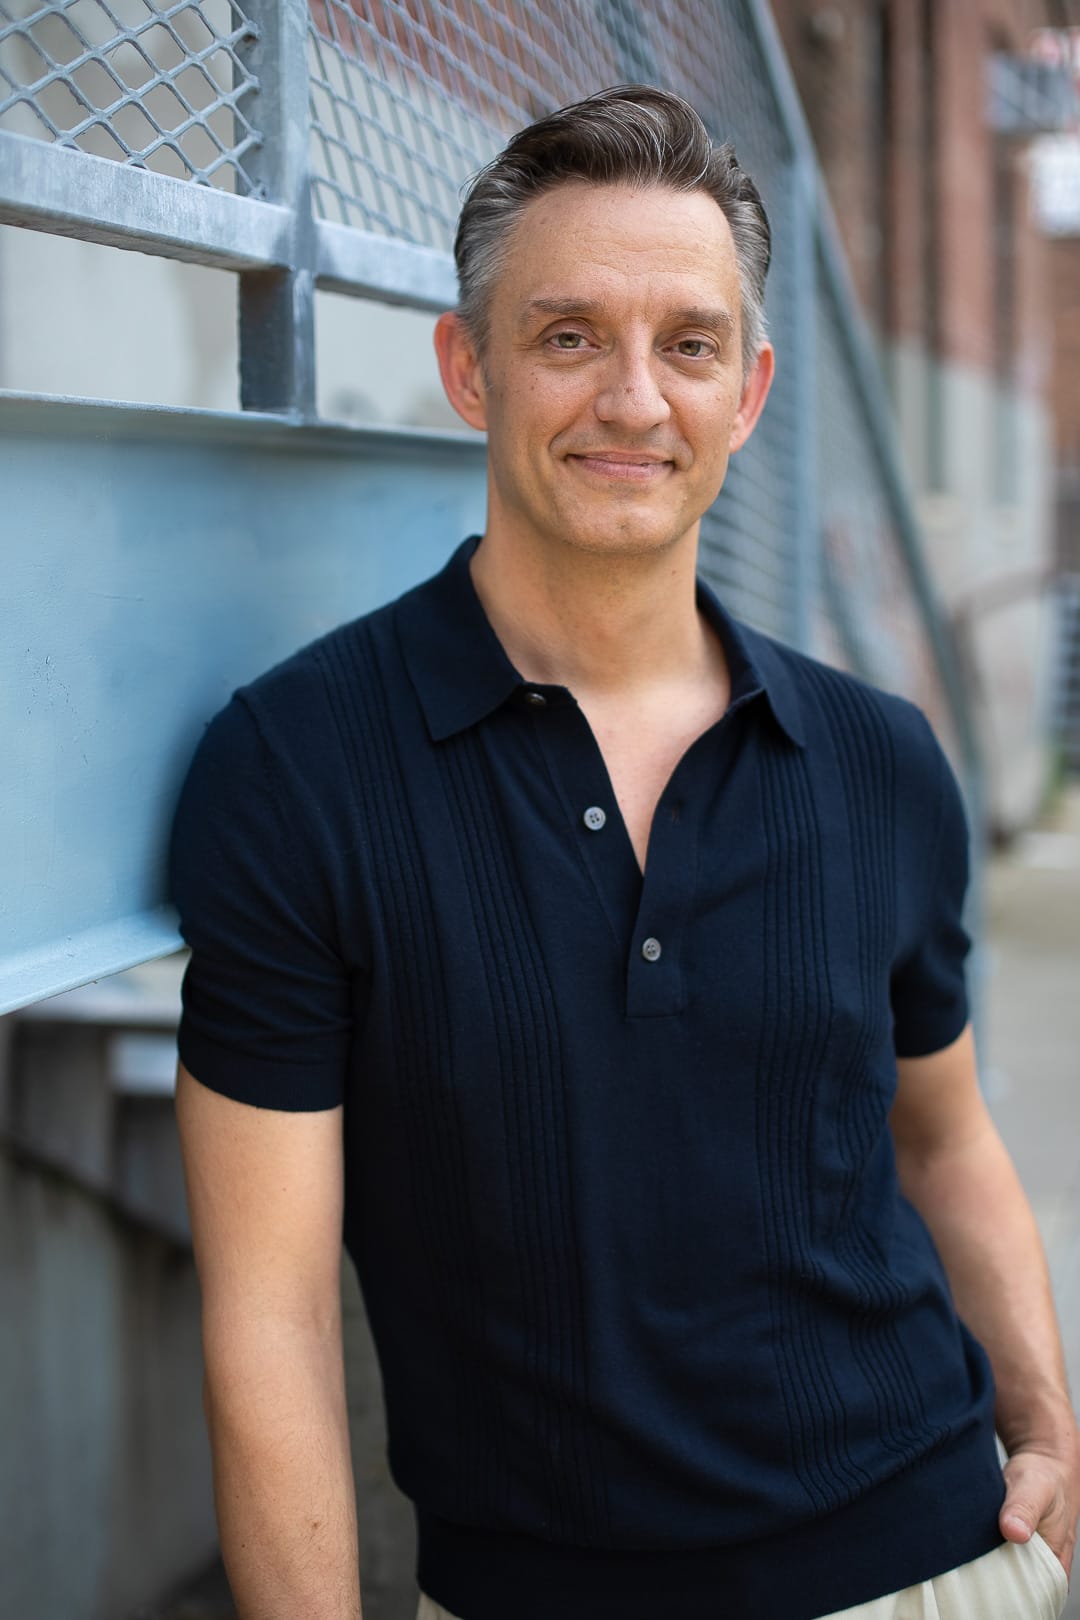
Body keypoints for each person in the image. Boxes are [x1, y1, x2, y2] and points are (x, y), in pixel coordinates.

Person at [170, 85, 1079, 1620]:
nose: (635, 401)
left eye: (691, 345)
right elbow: (270, 1315)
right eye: (570, 336)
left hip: (936, 1565)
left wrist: (1047, 1416)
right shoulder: (300, 767)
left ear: (751, 391)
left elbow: (943, 1138)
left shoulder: (879, 759)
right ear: (469, 368)